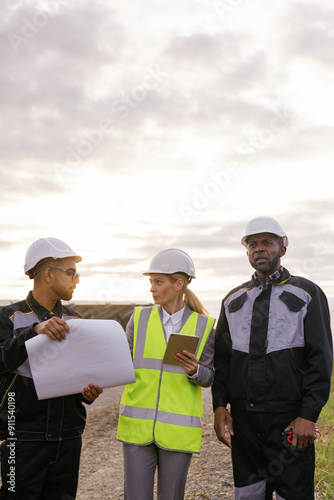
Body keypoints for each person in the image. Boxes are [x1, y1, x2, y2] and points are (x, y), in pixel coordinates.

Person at [212, 216, 333, 500]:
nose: (259, 249)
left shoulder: (307, 293)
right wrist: (219, 405)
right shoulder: (232, 300)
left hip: (290, 423)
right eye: (252, 244)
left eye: (267, 242)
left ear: (282, 248)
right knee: (249, 493)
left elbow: (321, 359)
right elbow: (223, 360)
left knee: (294, 494)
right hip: (245, 423)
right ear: (246, 251)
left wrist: (308, 415)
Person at [0, 237, 103, 499]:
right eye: (71, 273)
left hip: (67, 438)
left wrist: (87, 393)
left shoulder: (75, 321)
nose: (76, 279)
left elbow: (79, 373)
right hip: (20, 438)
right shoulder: (8, 318)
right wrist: (34, 331)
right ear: (48, 274)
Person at [117, 248, 215, 500]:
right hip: (137, 427)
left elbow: (209, 376)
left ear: (179, 284)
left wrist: (195, 370)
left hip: (178, 431)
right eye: (151, 282)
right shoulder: (138, 318)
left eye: (158, 282)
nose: (152, 289)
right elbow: (120, 364)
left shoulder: (204, 326)